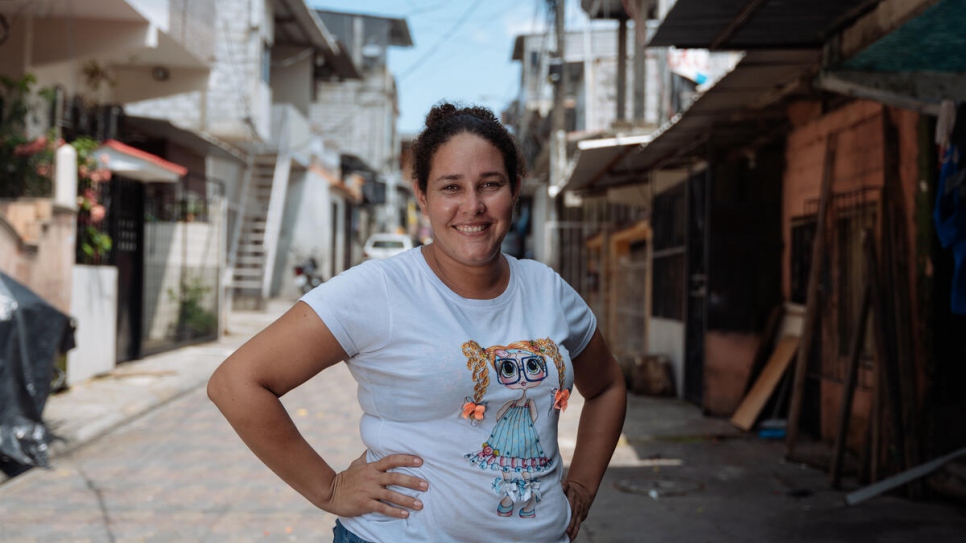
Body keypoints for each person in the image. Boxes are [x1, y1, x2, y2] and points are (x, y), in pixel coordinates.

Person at [207, 102, 627, 543]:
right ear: (422, 196)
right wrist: (328, 489)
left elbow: (607, 387)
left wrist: (581, 486)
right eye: (451, 187)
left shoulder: (548, 290)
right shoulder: (381, 290)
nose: (473, 205)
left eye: (490, 184)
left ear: (515, 188)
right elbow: (236, 383)